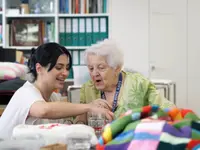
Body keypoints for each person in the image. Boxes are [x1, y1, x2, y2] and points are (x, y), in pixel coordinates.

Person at [0, 42, 113, 139]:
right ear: (39, 68)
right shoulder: (25, 93)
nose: (65, 73)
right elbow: (43, 110)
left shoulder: (53, 98)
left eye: (67, 68)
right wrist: (89, 106)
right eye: (59, 67)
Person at [75, 39, 176, 124]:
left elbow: (168, 109)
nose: (94, 74)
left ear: (117, 68)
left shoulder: (138, 83)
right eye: (91, 68)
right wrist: (88, 108)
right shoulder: (87, 89)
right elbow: (79, 123)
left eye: (101, 68)